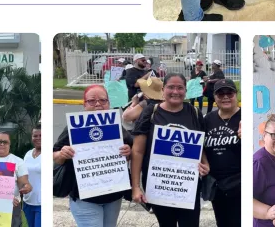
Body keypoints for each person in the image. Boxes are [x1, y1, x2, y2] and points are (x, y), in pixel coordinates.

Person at [131, 73, 210, 226]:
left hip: (188, 185)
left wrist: (205, 163)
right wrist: (136, 187)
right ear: (163, 89)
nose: (175, 91)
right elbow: (138, 151)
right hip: (159, 184)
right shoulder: (150, 112)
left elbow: (200, 146)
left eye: (180, 88)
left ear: (185, 91)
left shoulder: (194, 113)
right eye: (171, 87)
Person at [53, 85, 133, 226]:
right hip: (85, 199)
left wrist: (128, 152)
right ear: (84, 104)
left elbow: (132, 151)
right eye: (92, 100)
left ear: (108, 103)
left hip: (113, 197)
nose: (98, 104)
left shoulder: (116, 126)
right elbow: (54, 155)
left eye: (103, 100)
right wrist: (62, 153)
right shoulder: (73, 127)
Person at [204, 79, 241, 227]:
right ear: (215, 97)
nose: (225, 97)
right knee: (222, 222)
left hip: (239, 183)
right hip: (217, 185)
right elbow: (201, 147)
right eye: (221, 94)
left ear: (236, 95)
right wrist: (204, 162)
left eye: (229, 93)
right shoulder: (208, 119)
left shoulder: (247, 118)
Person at [23, 126, 42, 227]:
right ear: (31, 137)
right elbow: (22, 175)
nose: (38, 138)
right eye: (35, 136)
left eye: (41, 135)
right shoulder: (28, 154)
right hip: (27, 201)